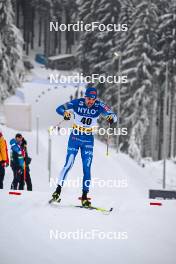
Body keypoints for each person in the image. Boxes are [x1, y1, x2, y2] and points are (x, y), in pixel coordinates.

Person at [51, 87, 117, 206]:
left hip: (88, 139)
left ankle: (85, 197)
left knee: (87, 168)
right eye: (88, 98)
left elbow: (114, 116)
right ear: (85, 97)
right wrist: (65, 113)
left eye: (93, 99)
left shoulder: (99, 105)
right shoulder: (77, 102)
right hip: (75, 137)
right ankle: (57, 192)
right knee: (68, 164)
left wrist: (111, 117)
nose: (90, 101)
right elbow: (58, 108)